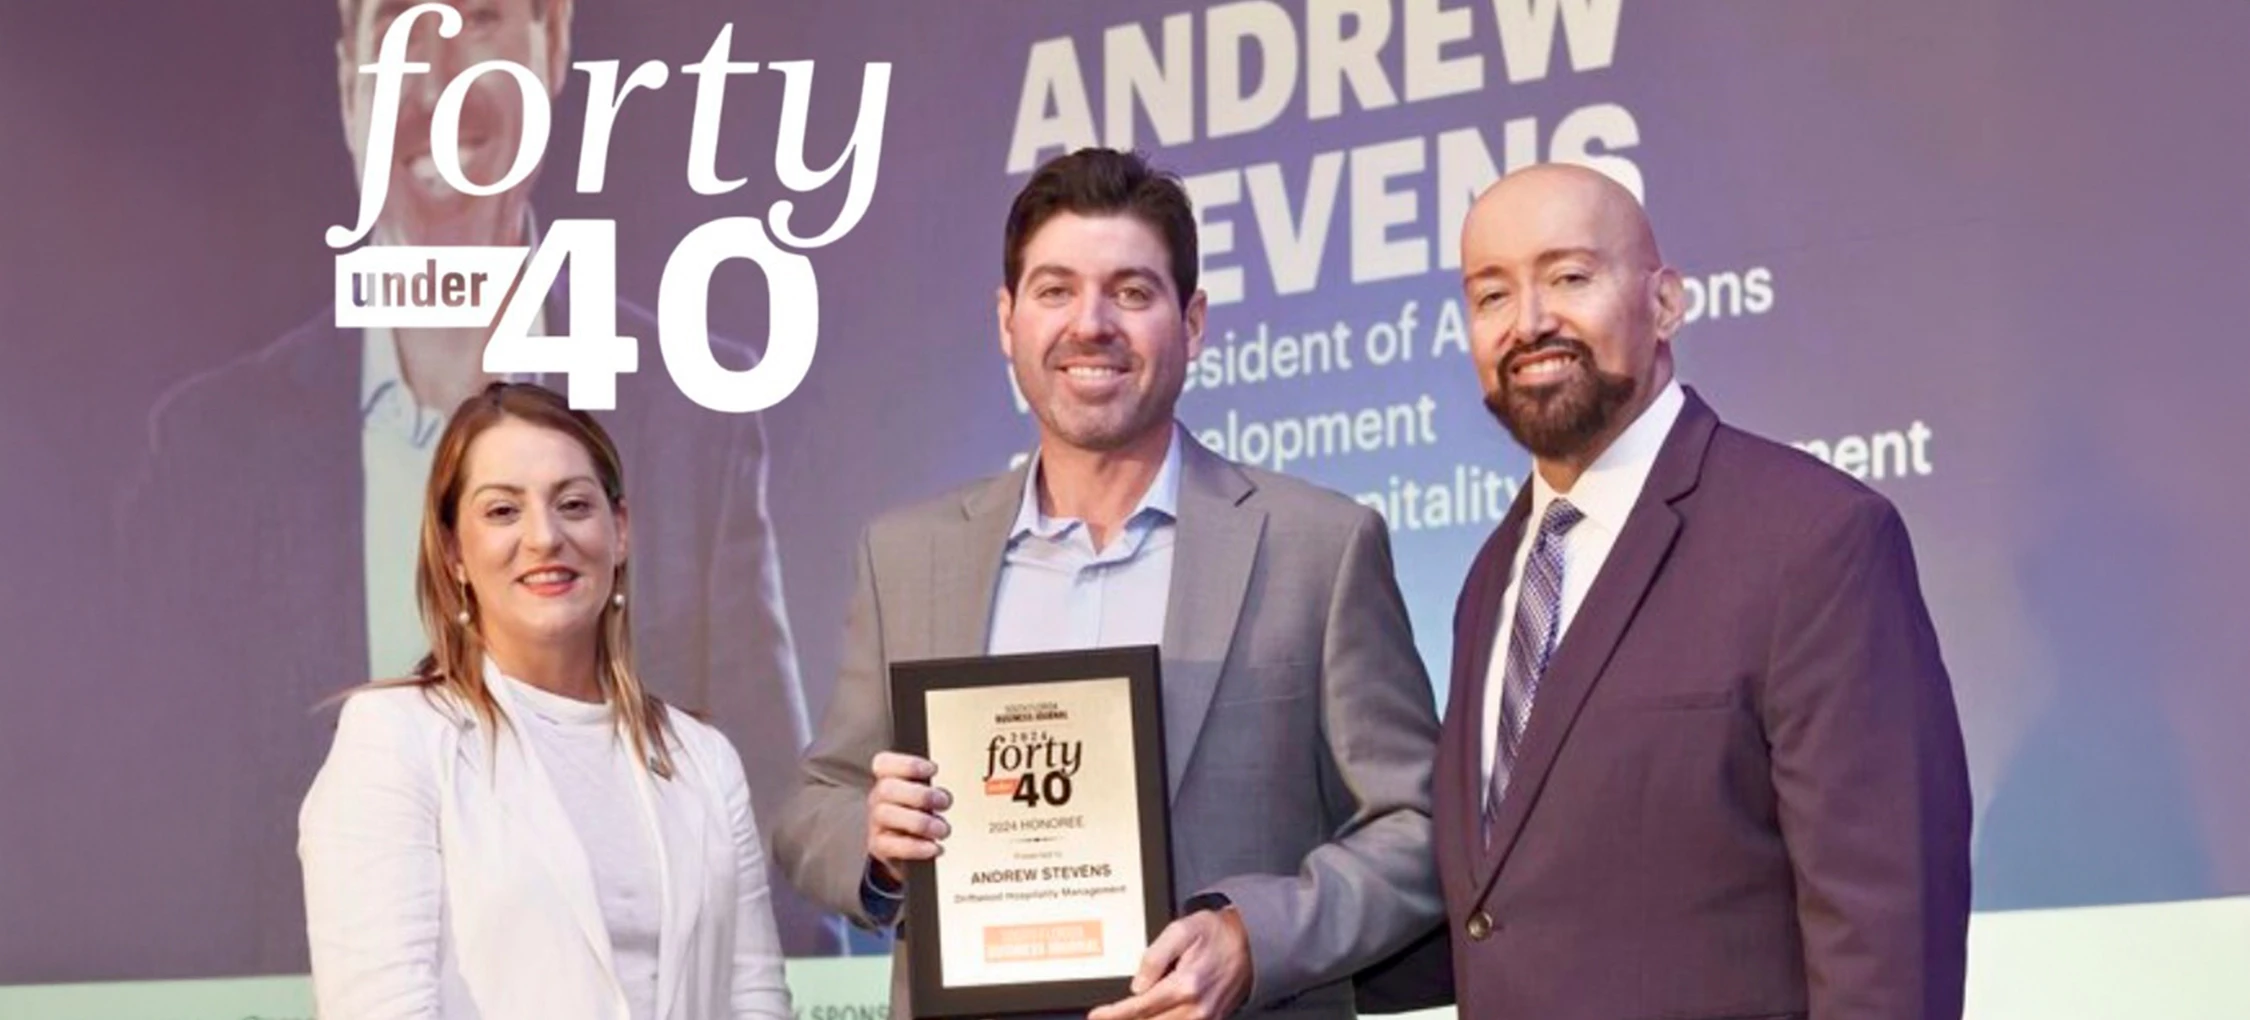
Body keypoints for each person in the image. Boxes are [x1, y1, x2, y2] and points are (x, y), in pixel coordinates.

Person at [112, 0, 835, 965]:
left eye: (483, 16)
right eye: (401, 24)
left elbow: (772, 848)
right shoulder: (207, 454)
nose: (438, 69)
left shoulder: (692, 418)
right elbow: (163, 866)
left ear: (555, 45)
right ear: (347, 79)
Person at [771, 148, 1443, 1020]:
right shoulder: (908, 556)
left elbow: (1421, 827)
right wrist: (873, 841)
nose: (1091, 324)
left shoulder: (1319, 545)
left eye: (1131, 292)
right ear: (1006, 320)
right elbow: (816, 800)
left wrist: (1253, 936)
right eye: (1054, 291)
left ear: (1192, 323)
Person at [1432, 163, 1973, 1017]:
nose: (1530, 322)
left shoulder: (1815, 539)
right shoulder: (1493, 578)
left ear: (1666, 302)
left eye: (1570, 277)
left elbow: (1886, 934)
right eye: (1491, 295)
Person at [299, 382, 792, 1019]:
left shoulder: (705, 761)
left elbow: (755, 1003)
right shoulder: (394, 739)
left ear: (620, 531)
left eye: (574, 504)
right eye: (502, 511)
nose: (544, 537)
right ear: (452, 550)